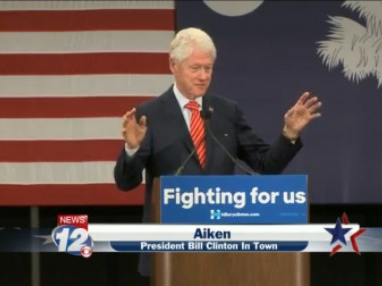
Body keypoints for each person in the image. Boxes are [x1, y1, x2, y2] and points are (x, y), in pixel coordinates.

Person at [114, 27, 321, 279]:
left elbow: (264, 166)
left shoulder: (226, 111)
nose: (203, 76)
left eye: (208, 68)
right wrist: (132, 148)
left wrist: (289, 134)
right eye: (195, 68)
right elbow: (126, 182)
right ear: (173, 65)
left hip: (223, 251)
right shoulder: (150, 115)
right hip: (170, 251)